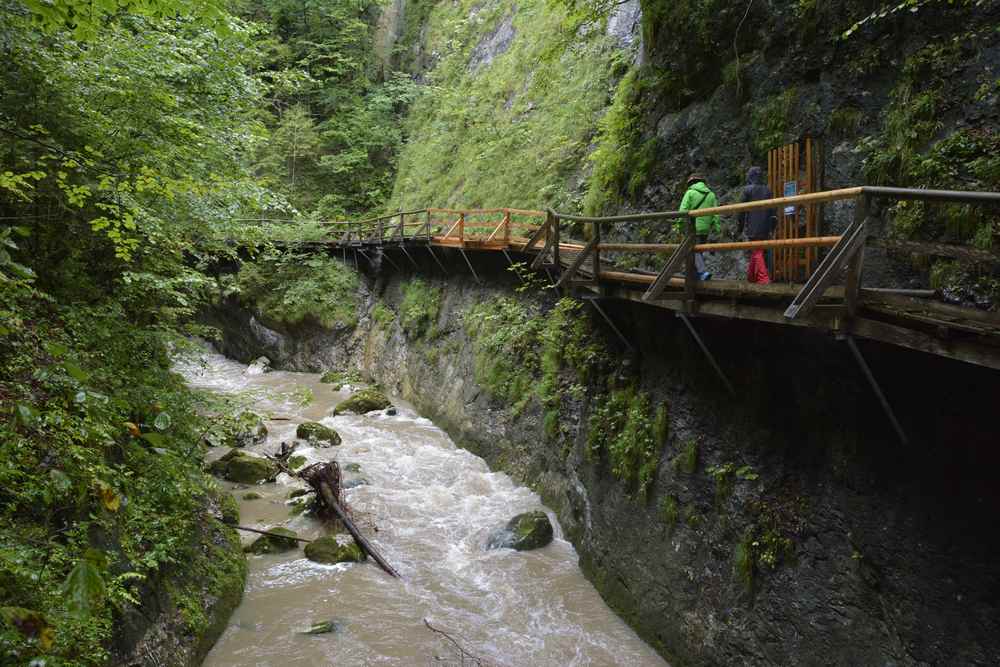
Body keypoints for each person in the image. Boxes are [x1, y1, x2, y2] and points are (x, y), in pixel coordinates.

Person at [737, 166, 777, 284]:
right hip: (766, 225)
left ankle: (763, 278)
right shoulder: (768, 190)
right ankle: (751, 277)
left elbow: (741, 210)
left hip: (753, 226)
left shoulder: (747, 190)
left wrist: (740, 227)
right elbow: (773, 211)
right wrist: (772, 227)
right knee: (757, 250)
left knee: (757, 252)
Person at [678, 174, 721, 281]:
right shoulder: (711, 195)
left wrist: (679, 225)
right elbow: (716, 213)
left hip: (693, 228)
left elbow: (682, 211)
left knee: (694, 251)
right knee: (699, 251)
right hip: (705, 229)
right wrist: (716, 227)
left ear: (691, 183)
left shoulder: (690, 193)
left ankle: (702, 272)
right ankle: (695, 275)